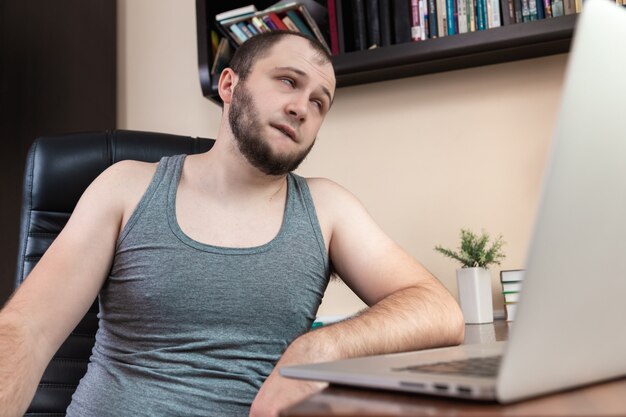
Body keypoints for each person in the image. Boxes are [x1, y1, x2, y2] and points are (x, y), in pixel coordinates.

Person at [0, 31, 464, 417]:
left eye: (320, 102)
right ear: (229, 85)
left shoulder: (328, 209)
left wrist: (317, 350)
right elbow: (27, 330)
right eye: (287, 81)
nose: (303, 107)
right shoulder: (125, 188)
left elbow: (438, 310)